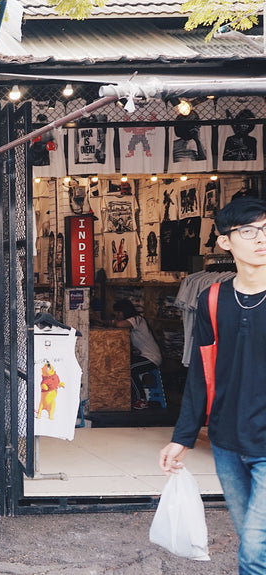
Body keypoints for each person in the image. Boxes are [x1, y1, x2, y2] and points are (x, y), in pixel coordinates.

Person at [159, 197, 266, 574]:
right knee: (252, 539)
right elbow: (202, 373)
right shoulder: (214, 299)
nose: (261, 239)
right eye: (250, 231)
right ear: (225, 242)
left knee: (255, 549)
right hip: (227, 442)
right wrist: (183, 436)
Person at [112, 299, 163, 410]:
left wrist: (111, 321)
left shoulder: (136, 320)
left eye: (118, 313)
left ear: (123, 312)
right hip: (144, 356)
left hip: (151, 358)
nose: (117, 316)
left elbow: (119, 324)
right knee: (124, 366)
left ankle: (141, 400)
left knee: (129, 369)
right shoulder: (135, 321)